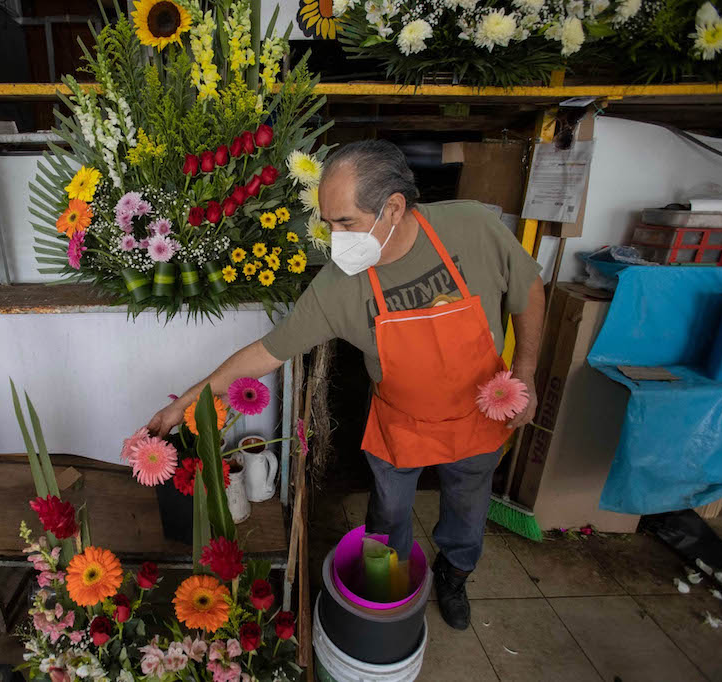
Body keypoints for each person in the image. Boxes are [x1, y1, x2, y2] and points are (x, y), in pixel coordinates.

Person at [147, 140, 545, 630]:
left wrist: (524, 370)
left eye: (346, 223)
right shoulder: (340, 284)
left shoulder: (471, 227)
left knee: (467, 503)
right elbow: (265, 352)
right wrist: (185, 403)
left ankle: (455, 572)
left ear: (394, 208)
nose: (335, 240)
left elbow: (526, 286)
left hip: (481, 412)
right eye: (328, 223)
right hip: (402, 423)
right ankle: (387, 589)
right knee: (389, 516)